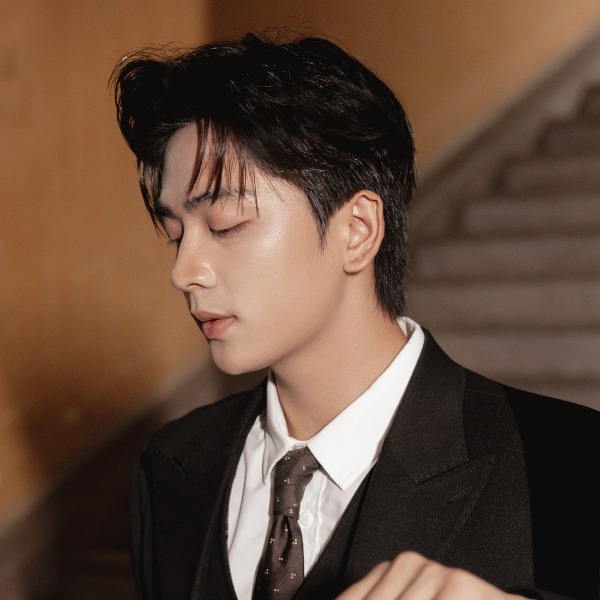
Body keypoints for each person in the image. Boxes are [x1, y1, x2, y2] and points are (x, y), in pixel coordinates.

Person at [112, 33, 600, 600]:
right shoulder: (171, 467)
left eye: (225, 225)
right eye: (176, 235)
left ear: (358, 231)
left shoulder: (569, 464)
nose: (184, 271)